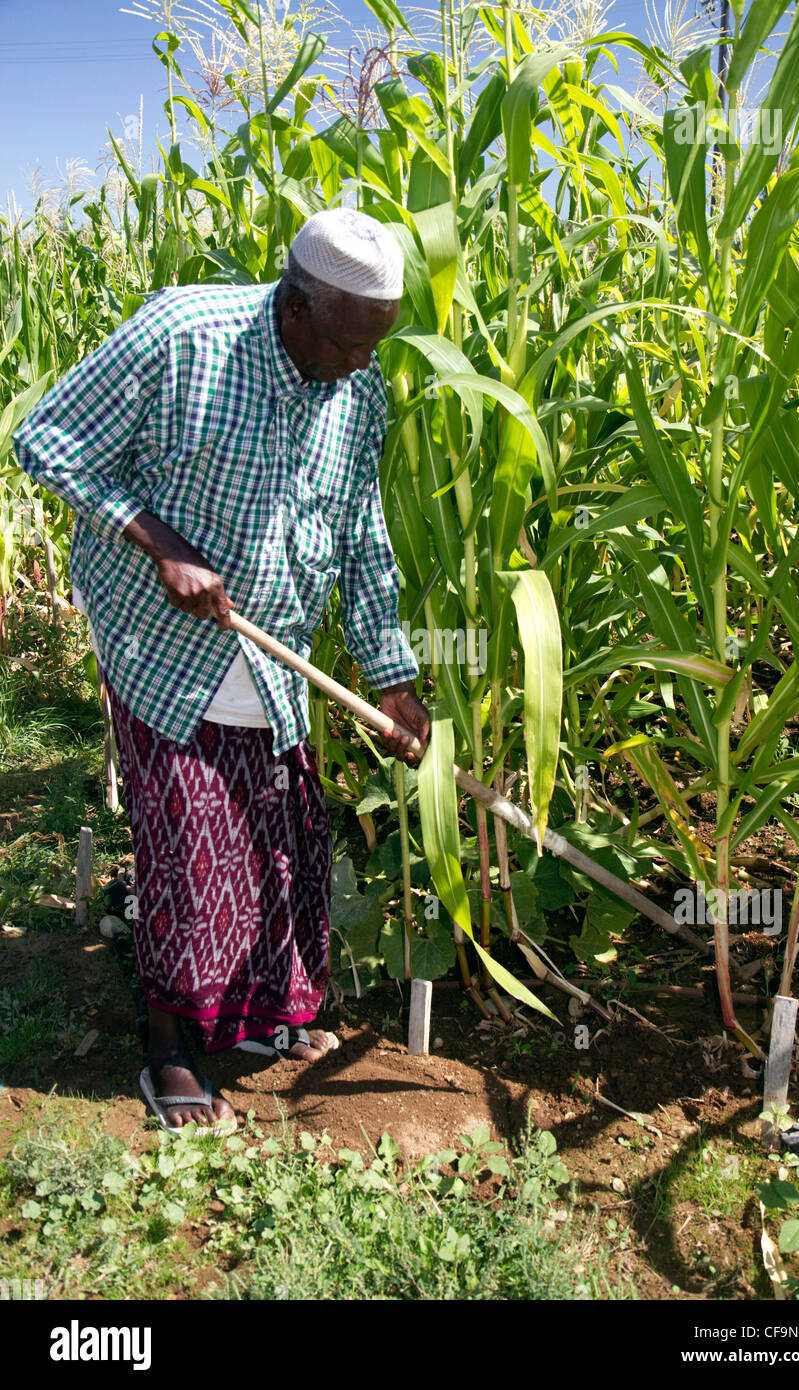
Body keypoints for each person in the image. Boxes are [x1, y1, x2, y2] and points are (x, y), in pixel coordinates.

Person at [13, 208, 430, 1135]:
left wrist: (392, 677)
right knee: (192, 853)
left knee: (279, 848)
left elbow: (360, 539)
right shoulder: (183, 337)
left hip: (276, 651)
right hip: (163, 645)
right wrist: (160, 544)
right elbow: (47, 440)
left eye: (377, 346)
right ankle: (169, 1049)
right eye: (348, 344)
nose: (363, 365)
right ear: (295, 305)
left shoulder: (358, 394)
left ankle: (253, 1023)